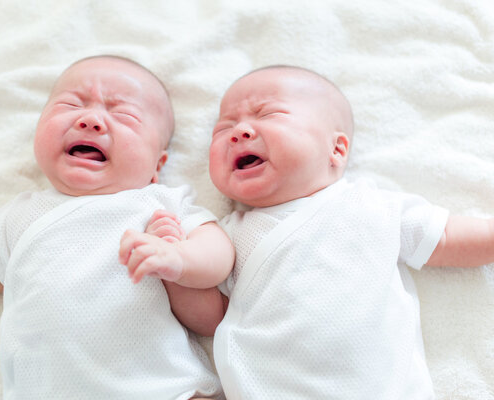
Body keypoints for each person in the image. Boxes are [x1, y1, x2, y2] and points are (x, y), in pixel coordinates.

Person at [0, 55, 234, 400]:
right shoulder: (20, 215)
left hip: (165, 389)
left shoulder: (157, 204)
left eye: (123, 115)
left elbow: (218, 253)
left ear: (156, 164)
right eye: (71, 105)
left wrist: (181, 260)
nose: (91, 120)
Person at [146, 65, 494, 399]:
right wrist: (176, 270)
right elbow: (212, 319)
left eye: (268, 115)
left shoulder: (371, 205)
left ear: (336, 149)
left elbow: (447, 237)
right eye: (223, 129)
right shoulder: (226, 235)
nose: (239, 131)